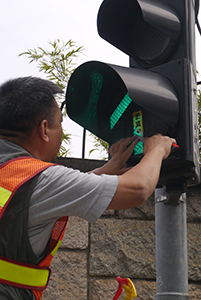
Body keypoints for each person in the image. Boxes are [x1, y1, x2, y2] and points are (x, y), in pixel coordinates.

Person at [0, 77, 176, 300]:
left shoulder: (16, 174)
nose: (61, 133)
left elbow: (42, 194)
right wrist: (157, 150)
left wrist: (108, 169)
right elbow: (138, 189)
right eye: (60, 125)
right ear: (44, 130)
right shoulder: (40, 178)